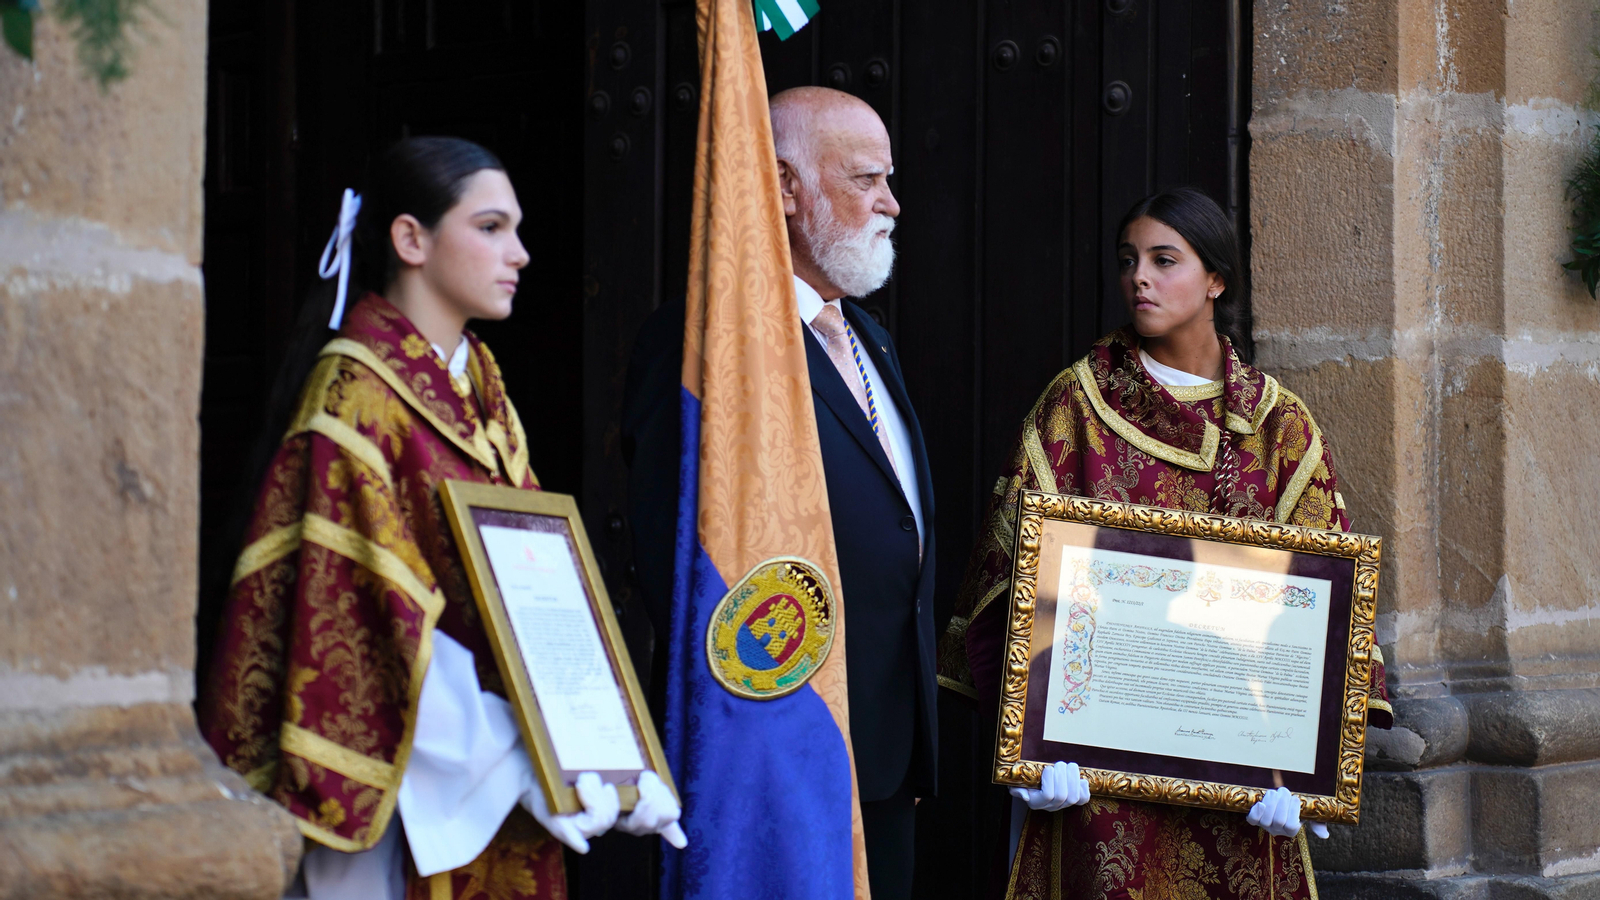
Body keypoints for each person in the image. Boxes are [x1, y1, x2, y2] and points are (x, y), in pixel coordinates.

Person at [198, 136, 683, 900]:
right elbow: (360, 624)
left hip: (501, 784)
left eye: (516, 229)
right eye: (491, 228)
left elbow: (536, 594)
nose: (519, 253)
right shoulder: (355, 396)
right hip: (409, 810)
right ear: (410, 238)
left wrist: (600, 752)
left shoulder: (482, 389)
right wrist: (511, 760)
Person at [940, 187, 1394, 899]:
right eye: (1128, 261)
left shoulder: (1282, 427)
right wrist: (1034, 746)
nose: (1139, 279)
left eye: (1163, 260)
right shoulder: (1078, 402)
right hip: (1097, 779)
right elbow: (1011, 574)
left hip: (1243, 777)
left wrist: (1308, 766)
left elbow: (1324, 599)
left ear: (1216, 279)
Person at [623, 86, 938, 899]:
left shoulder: (870, 338)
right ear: (784, 186)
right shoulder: (700, 343)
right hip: (778, 754)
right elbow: (677, 556)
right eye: (868, 179)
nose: (891, 204)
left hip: (886, 757)